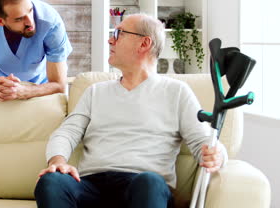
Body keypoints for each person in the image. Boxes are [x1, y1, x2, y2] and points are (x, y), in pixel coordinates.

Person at [34, 14, 227, 208]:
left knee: (149, 182)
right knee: (51, 181)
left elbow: (204, 142)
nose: (111, 39)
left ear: (144, 43)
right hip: (92, 185)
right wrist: (58, 161)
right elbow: (66, 133)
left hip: (143, 187)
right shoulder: (96, 91)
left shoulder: (176, 92)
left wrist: (217, 155)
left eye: (119, 34)